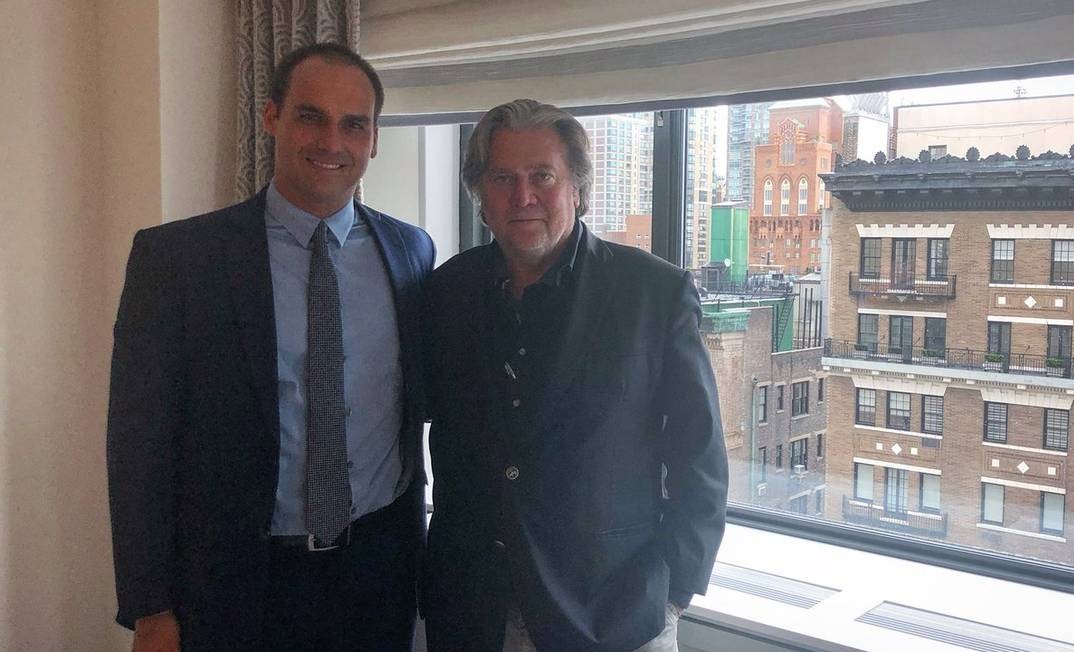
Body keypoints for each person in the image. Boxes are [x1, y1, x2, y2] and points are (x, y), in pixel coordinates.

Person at [106, 43, 434, 651]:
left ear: (374, 139)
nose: (332, 141)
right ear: (271, 117)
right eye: (311, 116)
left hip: (378, 576)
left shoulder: (412, 251)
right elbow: (138, 445)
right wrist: (150, 608)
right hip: (234, 587)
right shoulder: (178, 261)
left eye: (354, 124)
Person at [422, 99, 728, 651]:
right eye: (502, 178)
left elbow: (699, 453)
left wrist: (676, 589)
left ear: (578, 189)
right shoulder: (445, 293)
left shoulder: (653, 293)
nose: (523, 196)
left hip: (613, 612)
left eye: (542, 176)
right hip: (474, 611)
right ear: (480, 195)